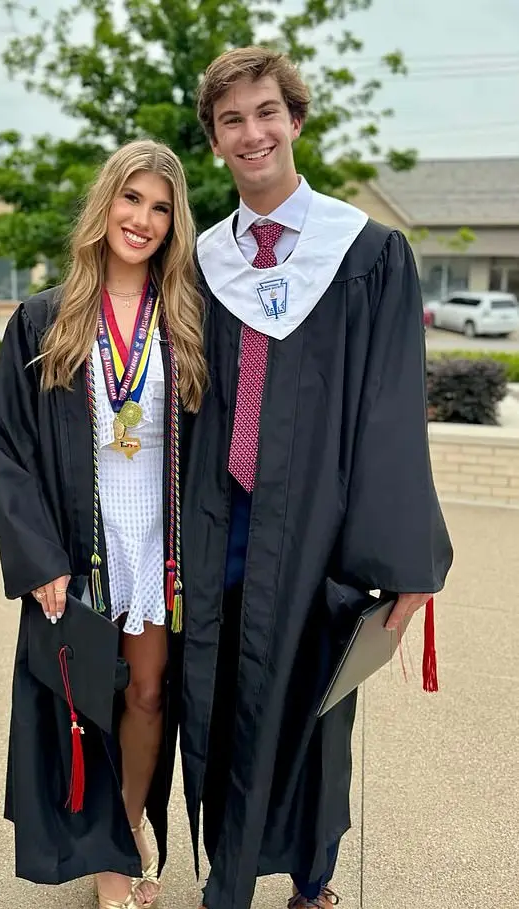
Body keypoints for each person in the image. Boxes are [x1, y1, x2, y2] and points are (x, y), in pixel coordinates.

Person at [179, 47, 454, 909]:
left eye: (266, 112)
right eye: (232, 120)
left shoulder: (365, 254)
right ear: (216, 142)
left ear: (294, 120)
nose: (252, 132)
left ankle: (310, 877)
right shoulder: (203, 261)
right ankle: (227, 874)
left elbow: (390, 411)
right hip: (224, 522)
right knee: (221, 699)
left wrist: (407, 561)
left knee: (314, 709)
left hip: (321, 530)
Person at [0, 139, 207, 909]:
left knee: (147, 694)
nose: (141, 219)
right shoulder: (47, 319)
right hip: (81, 541)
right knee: (86, 699)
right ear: (104, 203)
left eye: (160, 207)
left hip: (159, 542)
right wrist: (37, 554)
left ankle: (129, 818)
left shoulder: (184, 319)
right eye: (131, 198)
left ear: (174, 225)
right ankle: (115, 870)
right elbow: (6, 442)